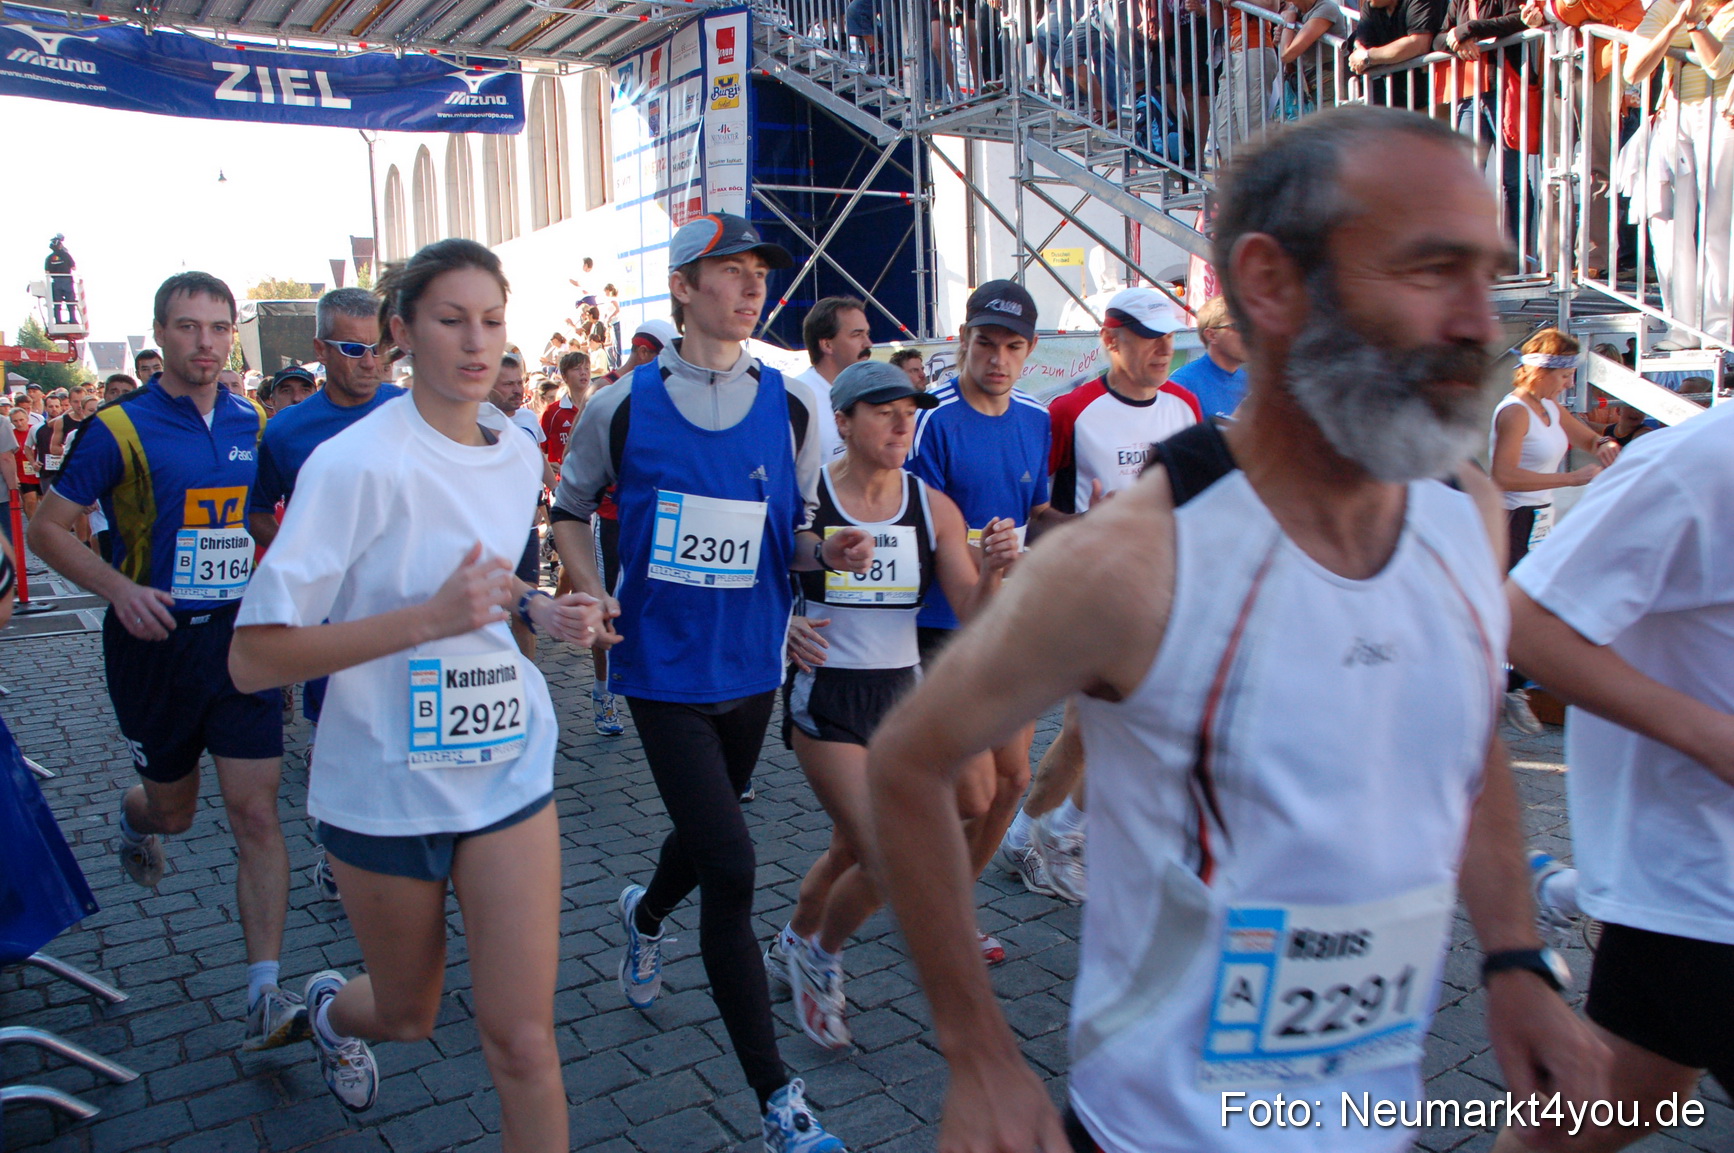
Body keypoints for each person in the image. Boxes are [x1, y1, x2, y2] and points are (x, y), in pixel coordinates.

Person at [867, 105, 1611, 1153]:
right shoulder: (1132, 564)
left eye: (1485, 276)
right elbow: (905, 762)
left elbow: (1469, 742)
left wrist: (1513, 958)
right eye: (1430, 269)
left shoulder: (1466, 514)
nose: (1477, 324)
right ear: (1269, 283)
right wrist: (978, 1051)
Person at [230, 239, 600, 1138]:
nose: (477, 344)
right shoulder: (353, 467)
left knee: (522, 1040)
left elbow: (485, 580)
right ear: (401, 333)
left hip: (507, 763)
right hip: (385, 784)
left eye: (492, 321)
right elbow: (253, 658)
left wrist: (542, 611)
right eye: (450, 320)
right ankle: (327, 1011)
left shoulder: (515, 449)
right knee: (408, 1011)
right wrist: (425, 622)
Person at [550, 211, 865, 1153]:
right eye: (726, 270)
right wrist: (594, 587)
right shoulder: (625, 403)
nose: (749, 284)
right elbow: (566, 511)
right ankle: (778, 1099)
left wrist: (828, 555)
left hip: (753, 666)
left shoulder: (796, 405)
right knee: (732, 863)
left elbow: (795, 536)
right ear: (683, 287)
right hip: (661, 670)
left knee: (710, 824)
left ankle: (643, 915)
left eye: (758, 270)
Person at [26, 271, 303, 1054]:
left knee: (256, 810)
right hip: (153, 645)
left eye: (219, 328)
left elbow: (264, 525)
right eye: (189, 327)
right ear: (161, 335)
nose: (207, 343)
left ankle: (264, 991)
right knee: (174, 812)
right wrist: (117, 588)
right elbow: (50, 528)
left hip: (238, 643)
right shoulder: (117, 428)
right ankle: (132, 815)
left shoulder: (255, 422)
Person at [1496, 401, 1734, 1153]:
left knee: (1618, 1100)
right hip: (1702, 882)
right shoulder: (1697, 463)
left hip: (1693, 893)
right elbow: (1524, 620)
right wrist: (1713, 736)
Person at [772, 358, 1020, 1051]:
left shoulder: (931, 504)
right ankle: (819, 954)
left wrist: (996, 565)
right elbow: (762, 575)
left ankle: (795, 932)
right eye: (883, 411)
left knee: (862, 841)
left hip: (902, 693)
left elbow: (974, 610)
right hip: (830, 694)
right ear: (843, 422)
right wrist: (781, 622)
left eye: (908, 410)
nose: (901, 423)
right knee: (889, 852)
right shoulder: (810, 496)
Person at [996, 287, 1199, 903]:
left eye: (1168, 336)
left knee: (1119, 727)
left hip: (1161, 590)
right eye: (1146, 336)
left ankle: (1040, 832)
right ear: (1111, 340)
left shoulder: (1186, 405)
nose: (1162, 348)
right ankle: (1045, 834)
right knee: (1100, 724)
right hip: (1087, 590)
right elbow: (1035, 511)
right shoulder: (1070, 411)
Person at [248, 289, 404, 907]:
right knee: (337, 733)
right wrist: (308, 553)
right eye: (353, 349)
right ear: (320, 350)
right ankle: (335, 840)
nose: (369, 362)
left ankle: (395, 842)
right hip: (333, 618)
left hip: (408, 606)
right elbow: (257, 511)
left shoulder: (410, 408)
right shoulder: (287, 430)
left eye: (378, 349)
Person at [1489, 328, 1619, 733]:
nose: (1570, 384)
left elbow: (1586, 436)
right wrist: (1571, 480)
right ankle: (1503, 684)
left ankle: (1509, 683)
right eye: (1565, 376)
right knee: (1518, 606)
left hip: (1540, 518)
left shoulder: (1550, 406)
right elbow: (1503, 475)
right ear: (1543, 372)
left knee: (1541, 604)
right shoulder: (1514, 411)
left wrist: (1603, 443)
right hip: (1515, 518)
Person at [1624, 0, 1734, 346]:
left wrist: (1696, 26)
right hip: (1673, 115)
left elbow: (1721, 66)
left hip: (1720, 115)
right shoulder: (1666, 7)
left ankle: (1718, 328)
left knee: (1717, 225)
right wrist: (1674, 26)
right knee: (1668, 225)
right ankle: (1681, 326)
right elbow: (1634, 71)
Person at [486, 353, 561, 660]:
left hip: (527, 527)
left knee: (524, 609)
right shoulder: (473, 420)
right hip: (492, 529)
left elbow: (538, 458)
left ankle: (528, 675)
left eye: (519, 382)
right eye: (508, 385)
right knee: (489, 611)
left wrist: (558, 492)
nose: (517, 390)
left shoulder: (529, 418)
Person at [796, 297, 875, 463]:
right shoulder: (797, 398)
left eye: (867, 334)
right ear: (827, 345)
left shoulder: (870, 394)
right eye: (857, 335)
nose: (868, 344)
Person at [1347, 0, 1447, 105]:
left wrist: (1367, 57)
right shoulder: (1371, 5)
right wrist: (1363, 55)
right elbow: (1361, 45)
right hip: (1395, 95)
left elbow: (1418, 44)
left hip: (1433, 93)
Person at [10, 407, 40, 520]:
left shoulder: (35, 430)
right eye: (15, 421)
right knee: (30, 500)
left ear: (27, 418)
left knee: (45, 501)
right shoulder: (11, 435)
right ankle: (33, 525)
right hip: (23, 474)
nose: (19, 423)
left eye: (21, 420)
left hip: (39, 471)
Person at [45, 235, 78, 325]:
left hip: (56, 282)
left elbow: (47, 272)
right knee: (70, 301)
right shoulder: (66, 255)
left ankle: (58, 321)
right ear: (60, 245)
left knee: (57, 303)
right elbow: (74, 268)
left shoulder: (49, 258)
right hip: (67, 281)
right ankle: (73, 320)